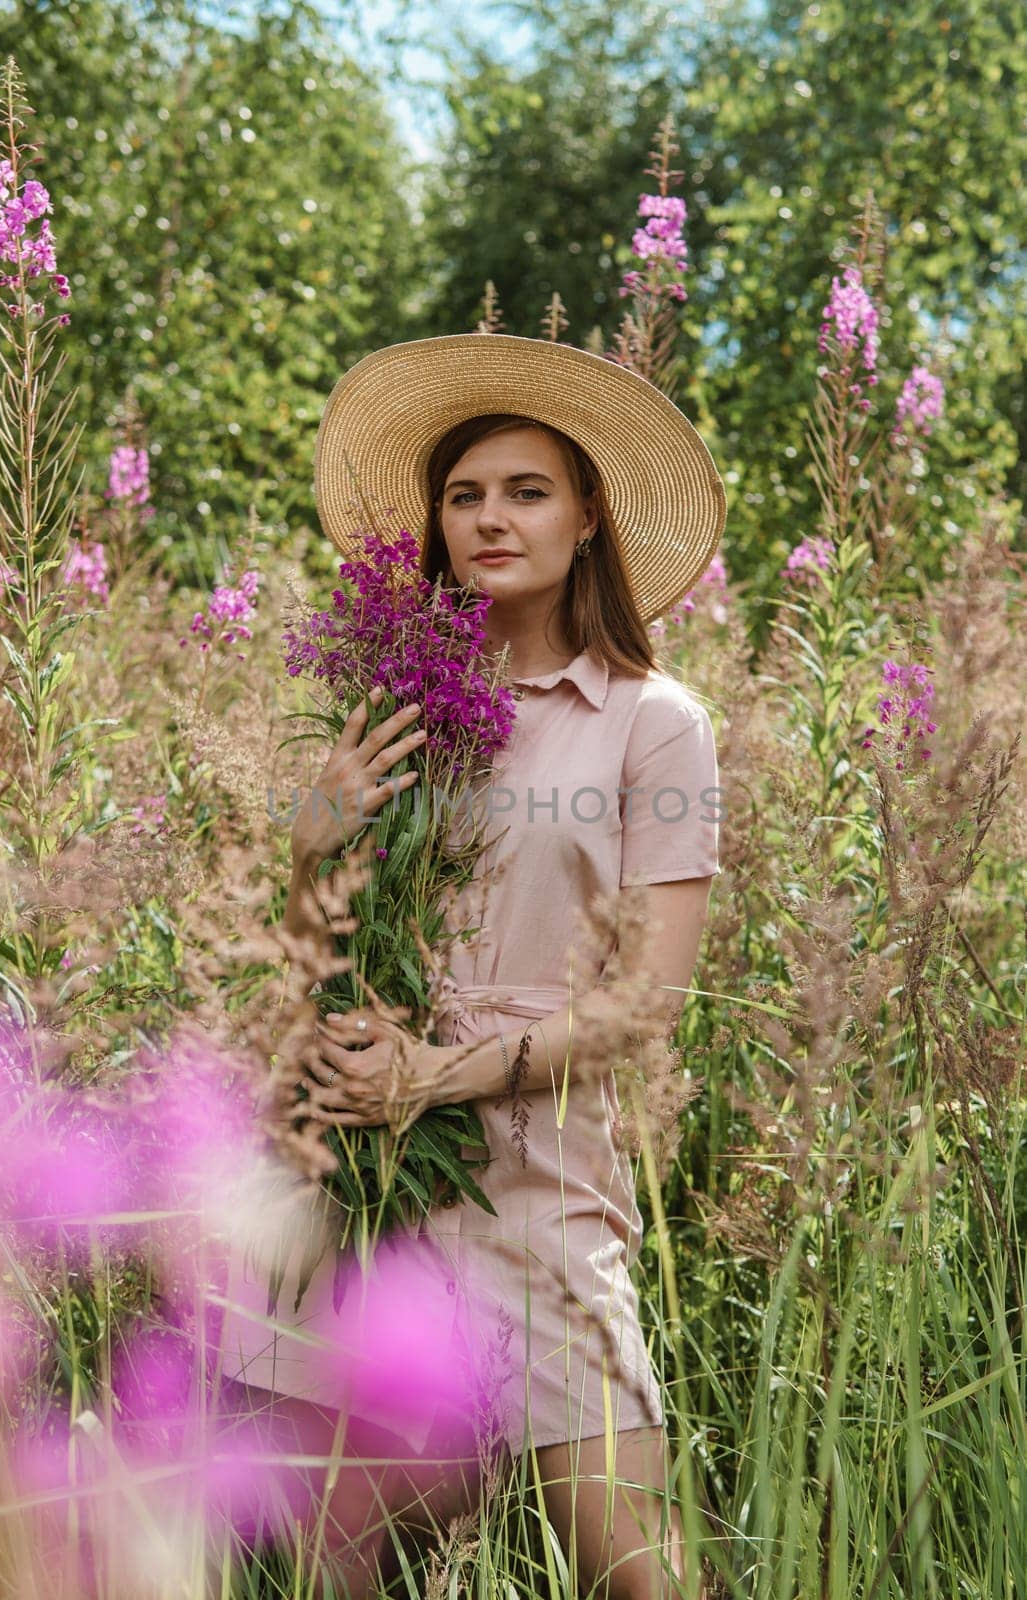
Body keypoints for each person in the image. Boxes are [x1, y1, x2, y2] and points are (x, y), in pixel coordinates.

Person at [215, 333, 726, 1600]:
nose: (490, 518)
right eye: (463, 494)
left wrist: (433, 1075)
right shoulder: (396, 700)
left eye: (526, 489)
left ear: (588, 514)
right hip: (365, 1167)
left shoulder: (651, 721)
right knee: (343, 1563)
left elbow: (647, 1005)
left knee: (633, 1564)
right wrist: (309, 850)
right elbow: (316, 953)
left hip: (537, 1171)